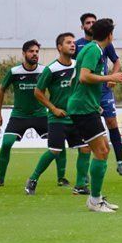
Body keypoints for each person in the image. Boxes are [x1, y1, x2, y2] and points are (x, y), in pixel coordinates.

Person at [67, 19, 122, 213]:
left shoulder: (93, 49)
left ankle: (97, 197)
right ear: (110, 36)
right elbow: (84, 76)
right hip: (82, 108)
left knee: (104, 149)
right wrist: (110, 77)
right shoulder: (94, 50)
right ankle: (94, 200)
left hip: (87, 107)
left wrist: (96, 105)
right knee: (101, 151)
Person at [27, 32, 87, 195]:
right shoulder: (51, 69)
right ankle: (32, 179)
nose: (73, 45)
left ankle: (80, 185)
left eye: (73, 42)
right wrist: (53, 109)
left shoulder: (78, 65)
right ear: (59, 47)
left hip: (75, 117)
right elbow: (38, 92)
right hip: (57, 118)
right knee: (55, 150)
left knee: (85, 148)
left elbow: (83, 87)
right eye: (68, 42)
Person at [0, 40, 49, 187]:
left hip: (41, 115)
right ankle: (0, 179)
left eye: (36, 51)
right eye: (31, 51)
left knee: (57, 141)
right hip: (19, 115)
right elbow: (0, 90)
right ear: (24, 54)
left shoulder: (44, 71)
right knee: (6, 144)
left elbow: (54, 90)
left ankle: (62, 179)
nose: (34, 54)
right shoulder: (14, 72)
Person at [76, 13, 122, 176]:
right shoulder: (86, 47)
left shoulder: (100, 47)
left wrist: (111, 77)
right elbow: (82, 76)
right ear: (82, 26)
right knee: (94, 145)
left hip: (100, 92)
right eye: (87, 22)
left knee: (105, 141)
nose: (90, 24)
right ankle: (83, 184)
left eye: (93, 22)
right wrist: (110, 77)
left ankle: (119, 163)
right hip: (85, 97)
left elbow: (116, 61)